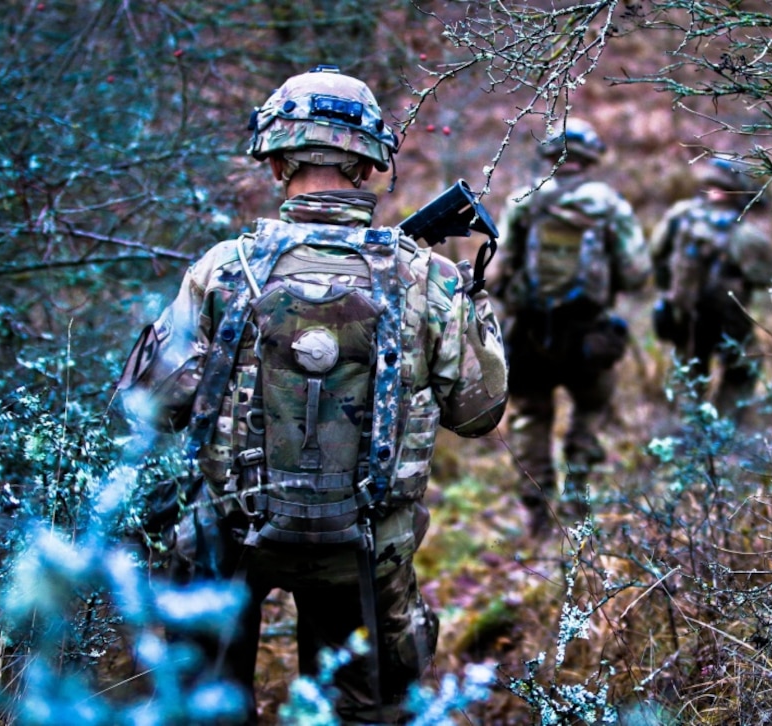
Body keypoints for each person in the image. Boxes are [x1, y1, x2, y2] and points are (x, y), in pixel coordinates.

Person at [115, 65, 508, 724]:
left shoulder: (220, 271)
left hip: (231, 541)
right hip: (366, 552)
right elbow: (479, 411)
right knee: (363, 712)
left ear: (275, 161)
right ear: (368, 162)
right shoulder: (427, 278)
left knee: (203, 710)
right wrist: (473, 301)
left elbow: (148, 406)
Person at [493, 118, 649, 537]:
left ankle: (539, 514)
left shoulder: (524, 201)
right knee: (591, 410)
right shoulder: (610, 205)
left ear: (549, 154)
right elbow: (636, 273)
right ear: (590, 157)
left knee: (530, 417)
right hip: (589, 334)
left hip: (529, 332)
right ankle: (577, 496)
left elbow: (496, 273)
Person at [649, 155, 772, 421]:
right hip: (727, 320)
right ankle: (724, 432)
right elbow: (764, 277)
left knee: (688, 373)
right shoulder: (746, 235)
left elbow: (654, 252)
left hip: (683, 314)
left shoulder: (680, 215)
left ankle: (686, 435)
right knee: (744, 368)